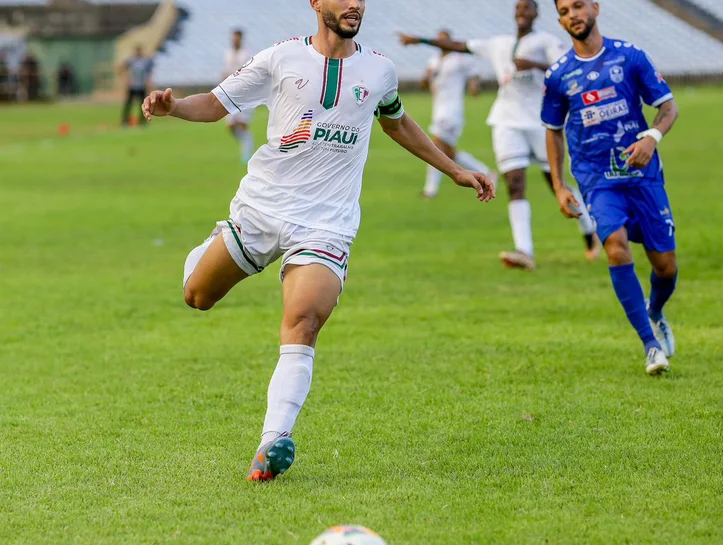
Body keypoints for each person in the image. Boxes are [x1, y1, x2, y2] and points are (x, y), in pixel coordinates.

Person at [143, 0, 496, 482]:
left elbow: (396, 121)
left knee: (304, 319)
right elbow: (217, 102)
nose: (355, 4)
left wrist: (454, 170)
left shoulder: (380, 70)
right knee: (197, 296)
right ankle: (217, 243)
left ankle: (272, 442)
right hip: (261, 210)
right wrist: (175, 107)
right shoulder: (280, 58)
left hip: (326, 224)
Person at [401, 0, 600, 271]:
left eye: (526, 8)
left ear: (536, 13)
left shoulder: (546, 41)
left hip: (540, 123)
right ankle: (524, 251)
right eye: (518, 9)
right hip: (506, 121)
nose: (521, 12)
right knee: (515, 185)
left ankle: (589, 231)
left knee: (556, 184)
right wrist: (420, 40)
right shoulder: (499, 43)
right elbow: (460, 45)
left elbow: (565, 67)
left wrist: (534, 63)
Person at [543, 0, 681, 375]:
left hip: (643, 174)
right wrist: (559, 186)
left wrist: (651, 137)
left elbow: (668, 108)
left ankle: (654, 311)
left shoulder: (631, 57)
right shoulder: (559, 75)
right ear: (560, 20)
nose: (573, 14)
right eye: (565, 10)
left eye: (579, 5)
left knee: (665, 268)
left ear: (595, 8)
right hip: (597, 178)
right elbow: (553, 132)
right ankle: (650, 345)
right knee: (615, 247)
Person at [402, 30, 497, 199]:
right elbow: (424, 84)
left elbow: (474, 73)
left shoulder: (459, 59)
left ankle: (430, 190)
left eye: (444, 40)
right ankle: (486, 171)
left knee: (434, 147)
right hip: (438, 110)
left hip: (452, 111)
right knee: (448, 153)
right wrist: (426, 77)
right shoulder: (435, 60)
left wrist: (474, 86)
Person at [222, 29, 257, 162]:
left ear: (241, 39)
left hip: (245, 93)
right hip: (231, 93)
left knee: (242, 123)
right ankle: (246, 142)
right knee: (230, 125)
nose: (234, 40)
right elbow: (226, 70)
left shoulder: (247, 54)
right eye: (233, 38)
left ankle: (247, 153)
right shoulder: (228, 53)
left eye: (237, 38)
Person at [120, 46, 154, 126]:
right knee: (128, 104)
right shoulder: (131, 61)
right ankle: (125, 121)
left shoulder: (145, 61)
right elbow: (122, 68)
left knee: (143, 104)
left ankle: (143, 121)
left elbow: (149, 72)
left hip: (142, 86)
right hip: (132, 86)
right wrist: (127, 80)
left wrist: (148, 83)